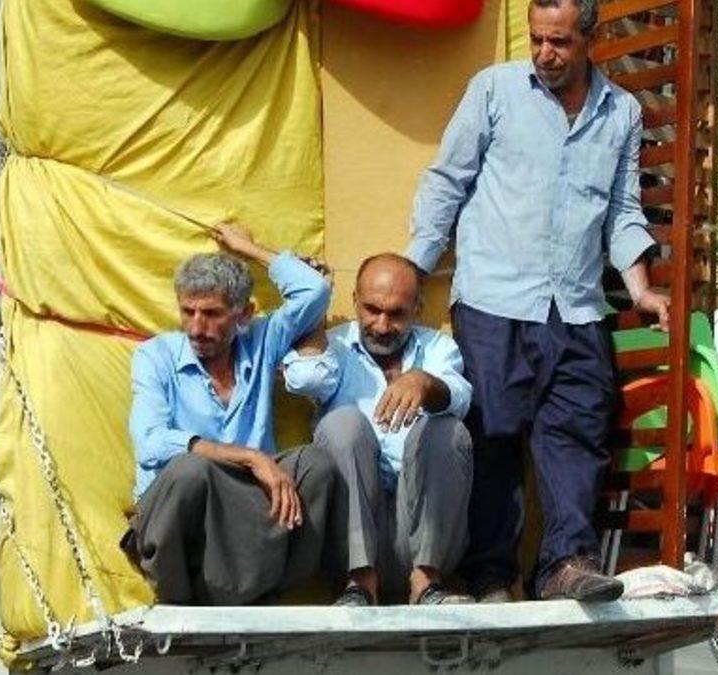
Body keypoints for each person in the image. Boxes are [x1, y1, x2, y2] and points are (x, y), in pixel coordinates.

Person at [406, 0, 671, 603]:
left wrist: (639, 289)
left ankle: (565, 566)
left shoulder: (622, 111)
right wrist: (415, 269)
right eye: (536, 40)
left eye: (559, 43)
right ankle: (493, 577)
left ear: (589, 39)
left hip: (577, 307)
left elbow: (622, 210)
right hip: (493, 300)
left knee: (578, 436)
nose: (545, 54)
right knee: (492, 439)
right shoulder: (494, 89)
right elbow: (448, 179)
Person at [120, 223, 342, 605]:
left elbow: (315, 290)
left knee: (315, 465)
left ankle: (268, 592)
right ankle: (178, 599)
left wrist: (249, 249)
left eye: (212, 314)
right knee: (190, 469)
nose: (196, 327)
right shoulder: (155, 356)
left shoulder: (261, 339)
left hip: (246, 506)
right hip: (180, 513)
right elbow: (150, 442)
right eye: (188, 311)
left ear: (244, 314)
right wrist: (250, 457)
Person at [284, 253, 474, 606]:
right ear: (355, 300)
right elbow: (305, 378)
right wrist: (314, 305)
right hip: (347, 539)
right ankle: (360, 584)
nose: (383, 325)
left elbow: (460, 398)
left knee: (446, 429)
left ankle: (426, 583)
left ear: (418, 309)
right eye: (372, 309)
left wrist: (424, 383)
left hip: (419, 535)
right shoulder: (334, 346)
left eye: (396, 314)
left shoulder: (437, 348)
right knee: (343, 424)